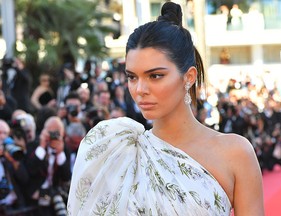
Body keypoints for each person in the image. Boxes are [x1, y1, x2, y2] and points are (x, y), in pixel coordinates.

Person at [67, 2, 264, 215]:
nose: (140, 89)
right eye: (132, 77)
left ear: (188, 77)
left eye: (155, 76)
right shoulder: (116, 148)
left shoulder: (235, 153)